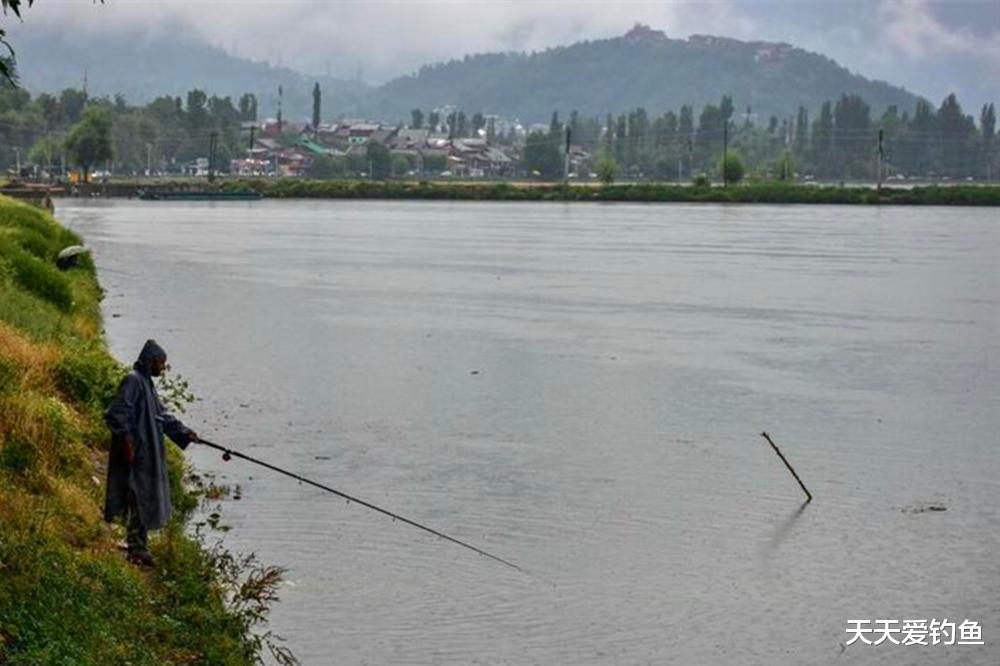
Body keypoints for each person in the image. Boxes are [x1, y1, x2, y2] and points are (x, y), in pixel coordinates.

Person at [104, 339, 199, 566]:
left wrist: (184, 433)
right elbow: (116, 415)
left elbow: (161, 416)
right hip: (137, 456)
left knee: (145, 498)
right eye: (160, 364)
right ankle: (136, 549)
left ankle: (140, 547)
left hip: (147, 455)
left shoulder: (146, 383)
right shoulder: (133, 381)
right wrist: (128, 443)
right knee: (139, 498)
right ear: (150, 361)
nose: (162, 368)